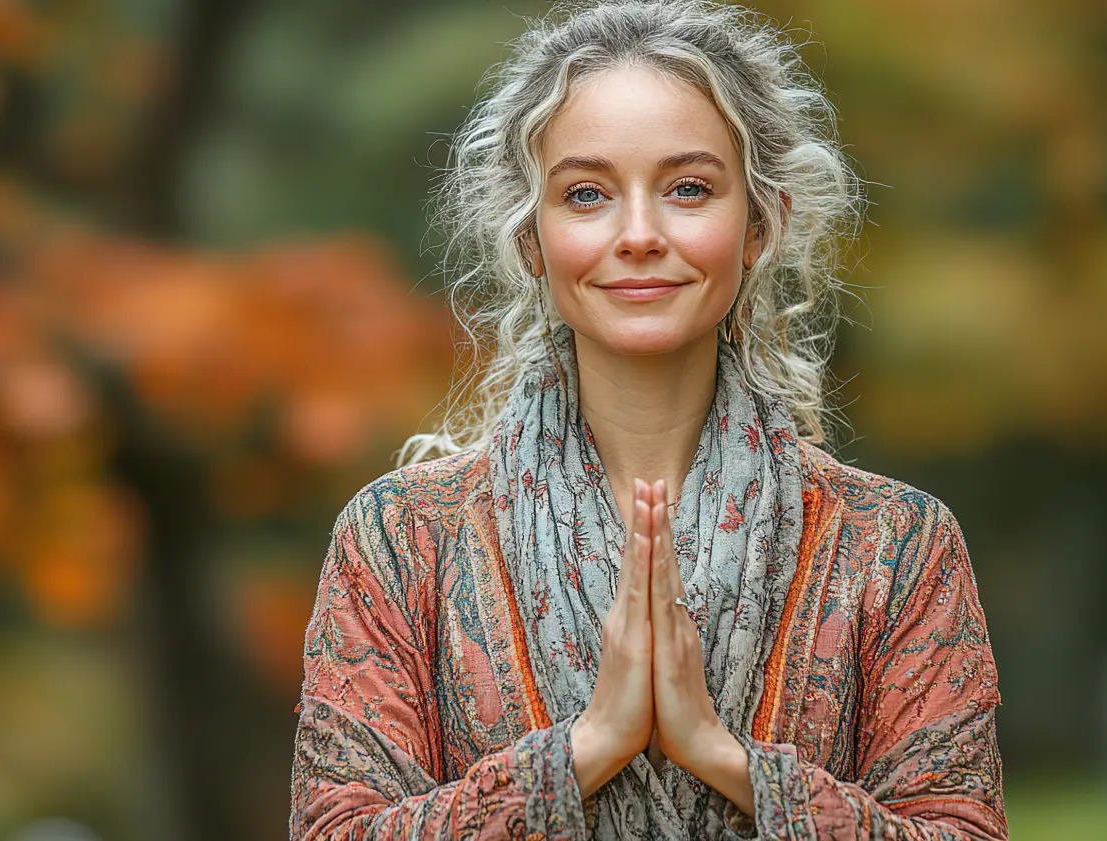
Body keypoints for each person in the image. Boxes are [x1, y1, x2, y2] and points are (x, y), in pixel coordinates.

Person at [288, 1, 1007, 838]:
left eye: (688, 189)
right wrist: (587, 748)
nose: (638, 234)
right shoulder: (402, 540)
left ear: (758, 224)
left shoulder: (895, 546)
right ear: (533, 238)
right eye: (587, 193)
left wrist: (719, 753)